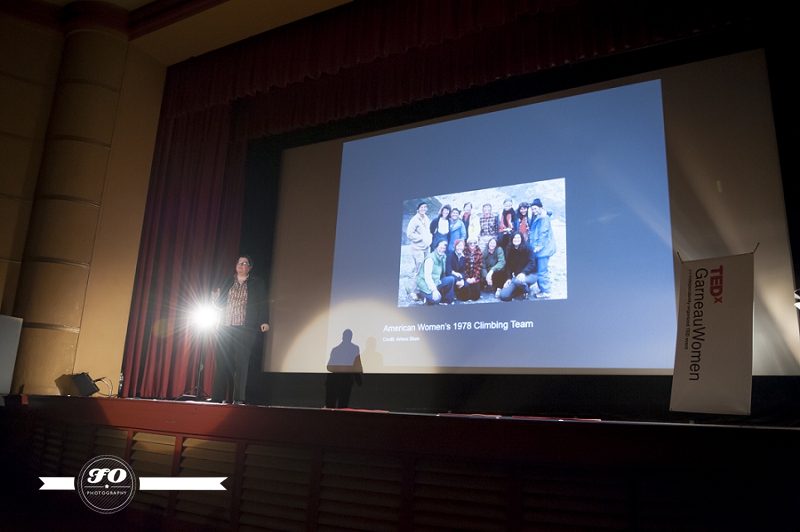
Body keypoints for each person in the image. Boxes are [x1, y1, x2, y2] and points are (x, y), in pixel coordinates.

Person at [211, 255, 269, 404]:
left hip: (245, 327)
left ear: (250, 267)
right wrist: (215, 298)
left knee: (241, 362)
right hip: (225, 325)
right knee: (222, 361)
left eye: (244, 263)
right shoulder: (228, 281)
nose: (241, 265)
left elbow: (262, 302)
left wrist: (264, 321)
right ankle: (217, 397)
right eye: (239, 262)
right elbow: (219, 305)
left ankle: (238, 398)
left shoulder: (257, 283)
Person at [325, 329, 362, 408]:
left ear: (343, 337)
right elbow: (357, 365)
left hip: (338, 381)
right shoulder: (354, 348)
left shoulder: (336, 349)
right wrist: (358, 379)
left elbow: (329, 367)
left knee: (335, 407)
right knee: (342, 406)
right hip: (344, 381)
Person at [530, 198, 556, 298]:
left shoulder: (543, 217)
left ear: (540, 207)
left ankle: (546, 291)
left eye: (535, 208)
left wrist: (538, 246)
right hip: (539, 250)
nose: (534, 210)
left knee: (542, 271)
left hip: (543, 250)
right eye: (532, 209)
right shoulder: (537, 216)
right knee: (539, 270)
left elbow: (543, 233)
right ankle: (542, 288)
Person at [499, 233, 537, 301]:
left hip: (530, 274)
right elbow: (508, 266)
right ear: (512, 239)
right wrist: (508, 278)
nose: (516, 239)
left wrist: (523, 273)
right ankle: (519, 292)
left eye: (518, 238)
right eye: (514, 238)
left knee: (518, 282)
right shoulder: (509, 249)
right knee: (503, 295)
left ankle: (527, 290)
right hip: (517, 277)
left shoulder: (527, 247)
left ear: (521, 239)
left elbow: (532, 263)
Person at [417, 240, 455, 305]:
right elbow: (427, 277)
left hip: (436, 281)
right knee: (437, 299)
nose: (442, 250)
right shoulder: (430, 259)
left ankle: (445, 299)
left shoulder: (443, 257)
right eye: (440, 248)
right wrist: (434, 290)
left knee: (451, 279)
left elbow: (444, 272)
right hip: (425, 283)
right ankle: (423, 296)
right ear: (436, 247)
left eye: (444, 248)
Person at [406, 202, 432, 283]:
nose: (423, 209)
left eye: (425, 207)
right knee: (419, 269)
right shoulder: (414, 220)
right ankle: (414, 291)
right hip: (417, 248)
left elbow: (428, 231)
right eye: (421, 207)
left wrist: (429, 238)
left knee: (426, 268)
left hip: (426, 247)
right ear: (418, 209)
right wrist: (421, 238)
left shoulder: (426, 218)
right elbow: (409, 234)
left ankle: (422, 288)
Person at [460, 237, 483, 301]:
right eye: (470, 243)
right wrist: (467, 278)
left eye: (474, 243)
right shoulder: (464, 251)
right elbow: (462, 267)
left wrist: (474, 278)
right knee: (465, 297)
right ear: (468, 244)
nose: (472, 244)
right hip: (466, 276)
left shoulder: (479, 251)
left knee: (475, 297)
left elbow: (479, 266)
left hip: (475, 276)